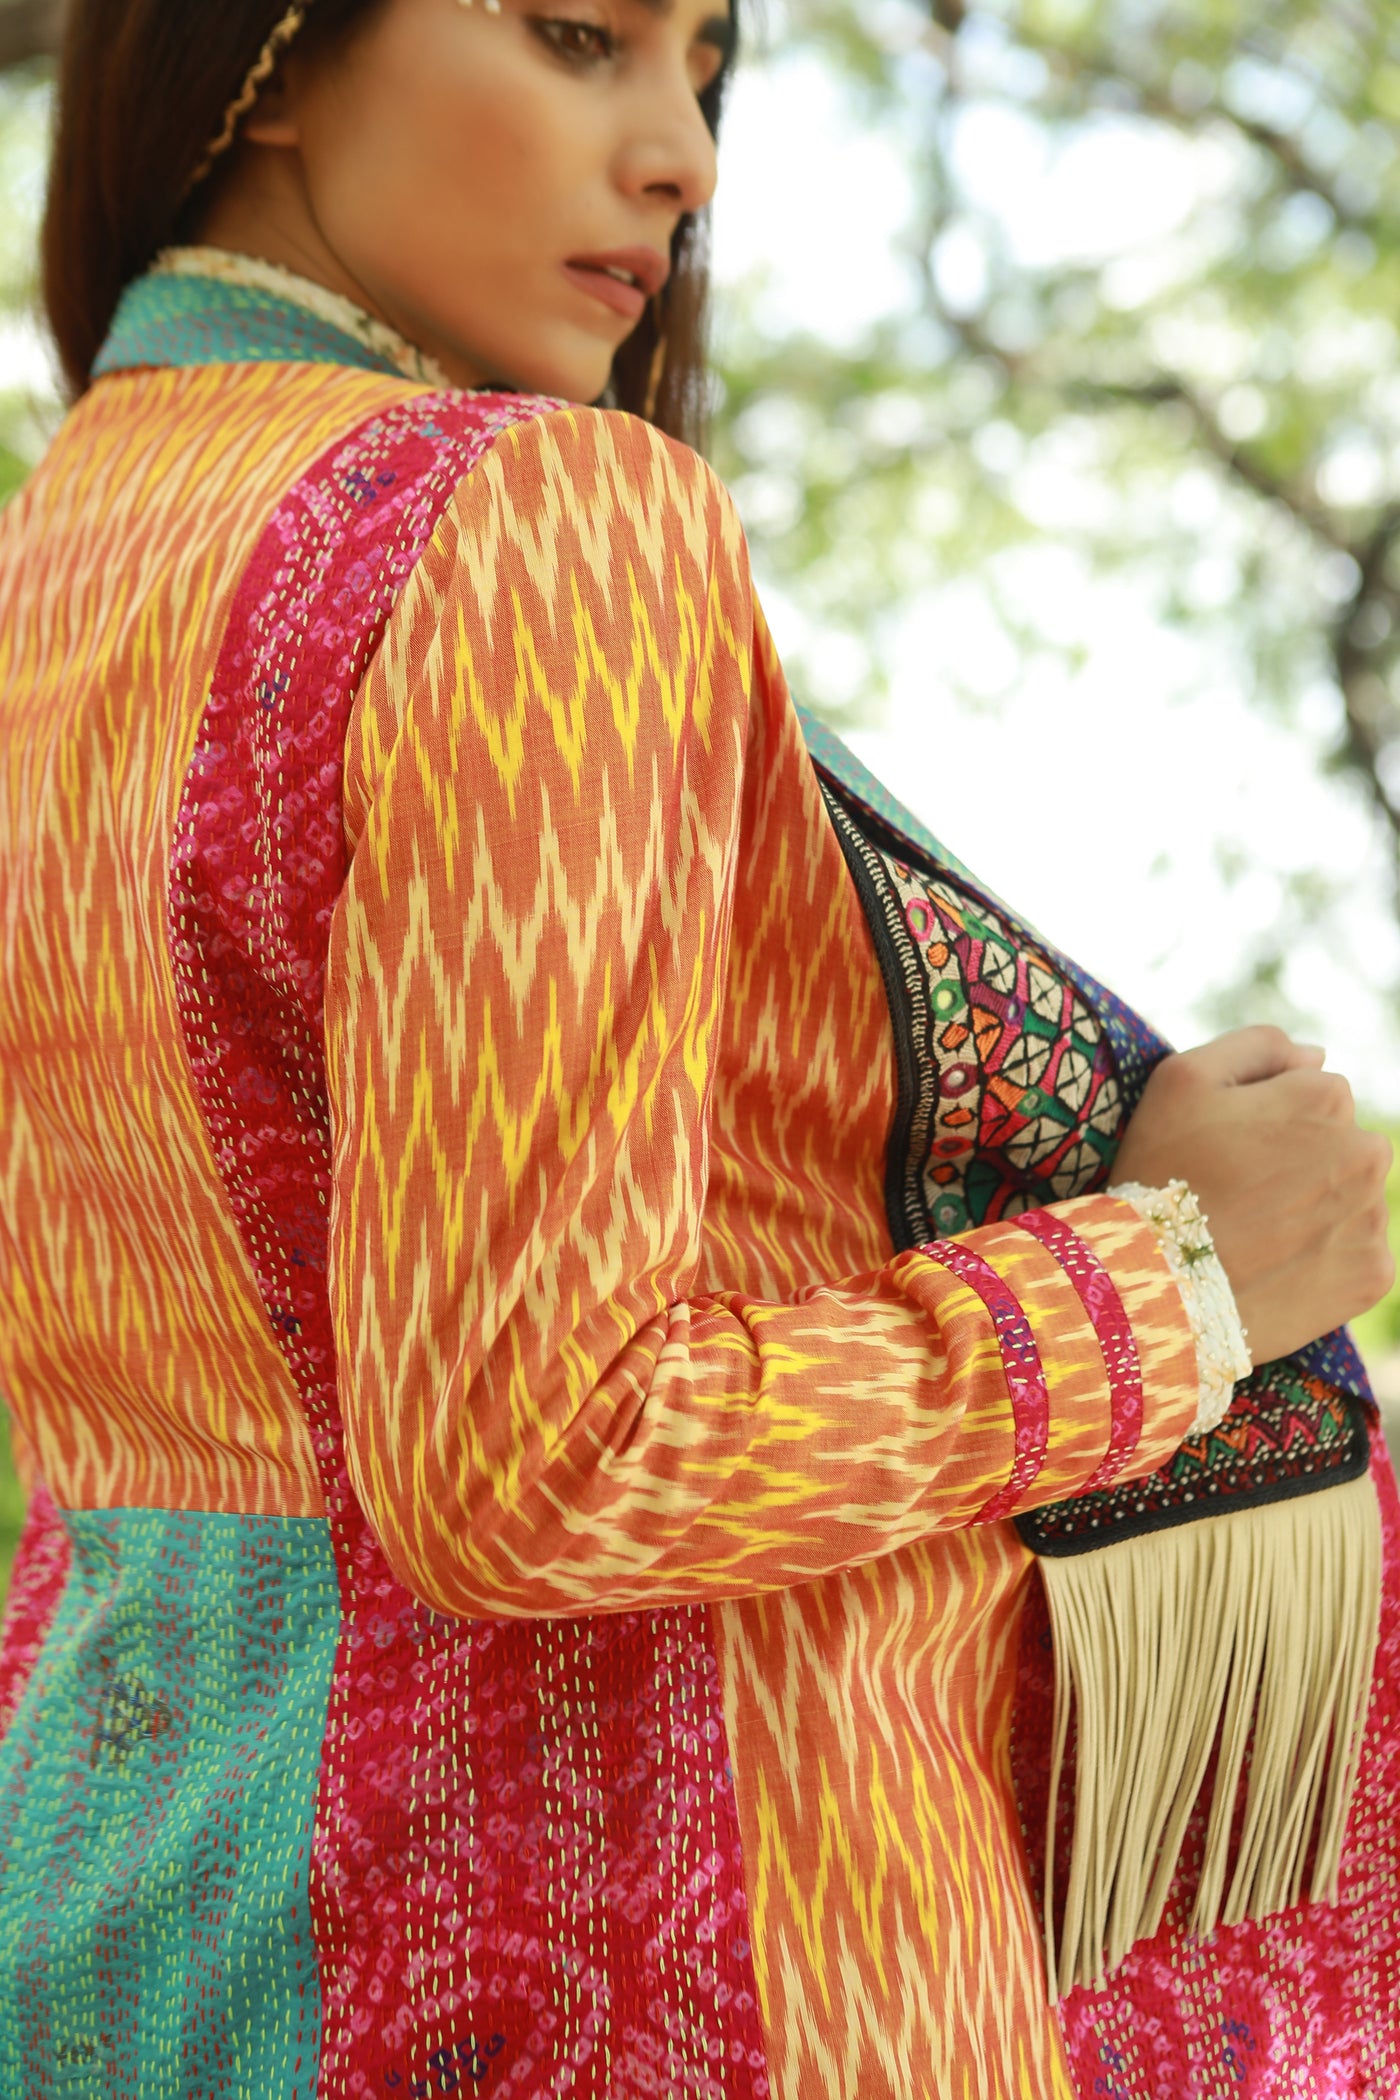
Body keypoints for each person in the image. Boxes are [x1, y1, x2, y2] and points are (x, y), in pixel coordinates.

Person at [0, 1, 1396, 2094]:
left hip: (117, 1913)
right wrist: (1171, 1285)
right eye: (580, 38)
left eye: (707, 72)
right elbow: (535, 1454)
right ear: (268, 52)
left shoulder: (58, 575)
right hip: (676, 1961)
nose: (683, 160)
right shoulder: (541, 521)